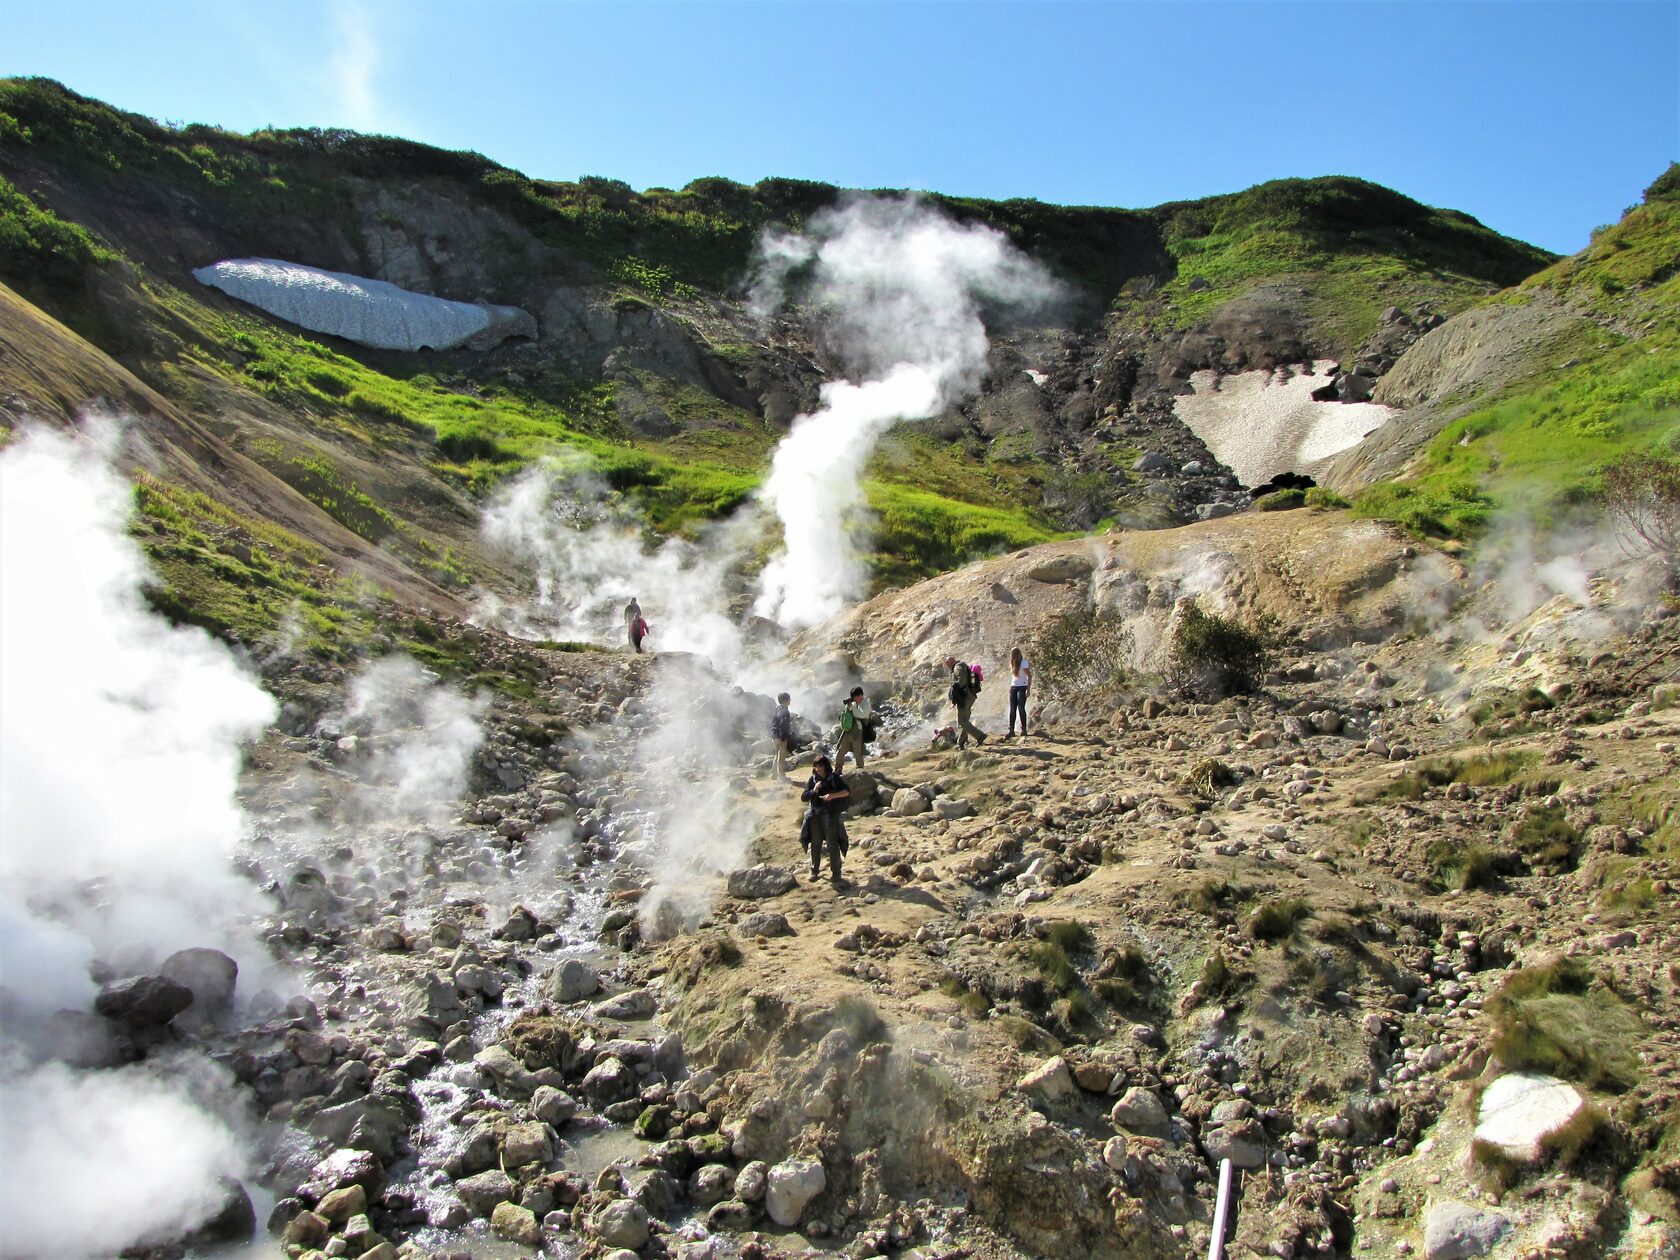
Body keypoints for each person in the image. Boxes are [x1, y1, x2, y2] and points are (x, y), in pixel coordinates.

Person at [800, 754, 851, 884]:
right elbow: (804, 797)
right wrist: (815, 790)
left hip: (831, 815)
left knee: (832, 844)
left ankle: (836, 873)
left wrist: (832, 796)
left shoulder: (834, 778)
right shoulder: (812, 780)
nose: (818, 769)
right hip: (815, 816)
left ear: (825, 766)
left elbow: (847, 791)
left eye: (820, 766)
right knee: (815, 843)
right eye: (816, 766)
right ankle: (814, 871)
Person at [944, 656, 987, 749]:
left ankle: (980, 736)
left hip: (965, 697)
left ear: (949, 662)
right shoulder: (960, 666)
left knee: (962, 721)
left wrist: (955, 688)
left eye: (946, 663)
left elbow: (961, 681)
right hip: (968, 696)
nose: (946, 666)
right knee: (964, 720)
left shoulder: (957, 667)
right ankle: (961, 743)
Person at [835, 686, 871, 772]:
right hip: (849, 730)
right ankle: (838, 768)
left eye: (854, 697)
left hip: (858, 731)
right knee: (841, 750)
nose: (854, 700)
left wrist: (852, 708)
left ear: (860, 696)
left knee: (858, 753)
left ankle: (860, 771)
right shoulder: (854, 703)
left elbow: (862, 715)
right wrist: (848, 707)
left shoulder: (866, 704)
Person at [1007, 646, 1032, 737]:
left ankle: (1024, 729)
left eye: (1013, 653)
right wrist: (1011, 686)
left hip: (1022, 687)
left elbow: (1029, 675)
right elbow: (1014, 677)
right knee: (1012, 709)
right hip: (1014, 687)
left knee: (1021, 708)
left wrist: (1028, 689)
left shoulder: (1023, 663)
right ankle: (1011, 730)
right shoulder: (1013, 663)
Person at [770, 692, 794, 776]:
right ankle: (781, 775)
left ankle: (773, 773)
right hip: (780, 736)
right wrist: (784, 737)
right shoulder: (785, 711)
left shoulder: (777, 709)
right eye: (789, 699)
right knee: (781, 757)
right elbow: (783, 724)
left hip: (774, 735)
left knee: (777, 755)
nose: (790, 701)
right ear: (785, 700)